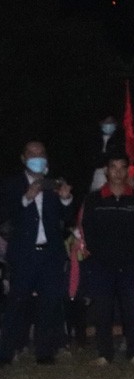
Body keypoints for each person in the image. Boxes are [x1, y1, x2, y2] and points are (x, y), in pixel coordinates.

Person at [0, 141, 74, 365]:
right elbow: (4, 214)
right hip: (24, 254)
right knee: (17, 302)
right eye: (32, 154)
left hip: (50, 254)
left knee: (49, 303)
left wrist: (66, 198)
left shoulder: (55, 183)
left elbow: (69, 219)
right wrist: (26, 199)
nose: (37, 157)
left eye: (41, 153)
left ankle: (44, 351)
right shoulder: (12, 184)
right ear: (23, 158)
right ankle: (6, 352)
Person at [80, 154, 134, 365]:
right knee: (103, 310)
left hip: (130, 265)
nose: (118, 172)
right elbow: (87, 230)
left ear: (128, 170)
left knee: (131, 310)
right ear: (106, 171)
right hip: (102, 265)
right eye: (113, 167)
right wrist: (98, 256)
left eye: (122, 167)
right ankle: (104, 354)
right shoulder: (94, 199)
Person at [89, 115, 126, 191]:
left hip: (112, 174)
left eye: (111, 122)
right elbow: (92, 158)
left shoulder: (119, 140)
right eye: (107, 122)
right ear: (101, 123)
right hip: (97, 175)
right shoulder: (95, 139)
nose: (109, 124)